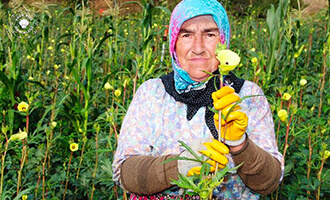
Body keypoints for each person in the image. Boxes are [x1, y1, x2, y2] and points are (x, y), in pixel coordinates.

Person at [112, 0, 284, 199]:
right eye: (186, 35)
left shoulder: (247, 96)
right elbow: (125, 173)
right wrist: (181, 164)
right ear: (174, 43)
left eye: (210, 34)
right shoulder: (152, 93)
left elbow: (268, 182)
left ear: (224, 40)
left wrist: (239, 144)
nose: (198, 48)